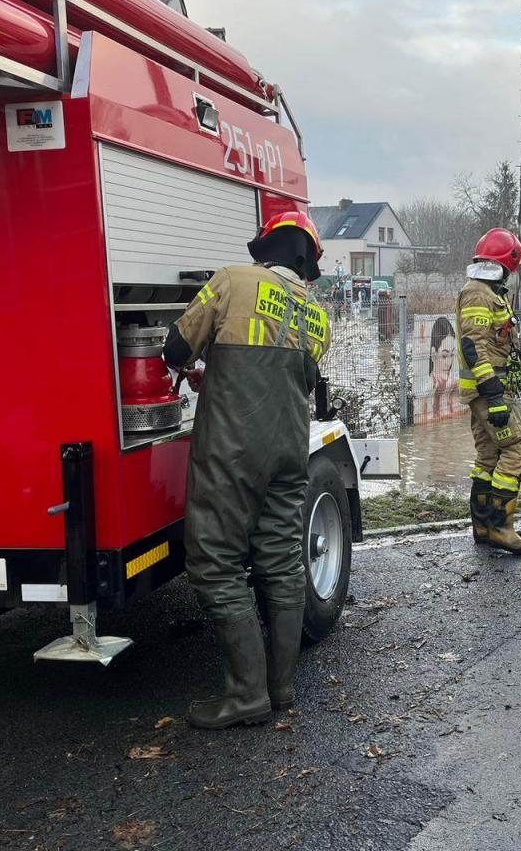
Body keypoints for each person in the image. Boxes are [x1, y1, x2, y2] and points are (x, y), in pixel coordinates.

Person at [163, 210, 330, 729]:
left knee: (215, 565)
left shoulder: (231, 281)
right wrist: (216, 376)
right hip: (288, 452)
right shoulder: (316, 313)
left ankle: (246, 695)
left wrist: (197, 371)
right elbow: (283, 375)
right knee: (280, 561)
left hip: (232, 453)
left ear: (268, 245)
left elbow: (174, 348)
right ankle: (280, 691)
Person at [457, 228, 521, 555]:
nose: (515, 272)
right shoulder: (479, 293)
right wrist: (494, 397)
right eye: (514, 265)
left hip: (487, 390)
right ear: (505, 263)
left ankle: (482, 526)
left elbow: (503, 346)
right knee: (519, 451)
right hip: (487, 393)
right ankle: (500, 527)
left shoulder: (492, 293)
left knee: (489, 457)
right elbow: (473, 346)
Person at [428, 315, 460, 419]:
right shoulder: (428, 385)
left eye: (452, 355)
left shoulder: (454, 383)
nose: (449, 362)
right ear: (433, 354)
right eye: (444, 355)